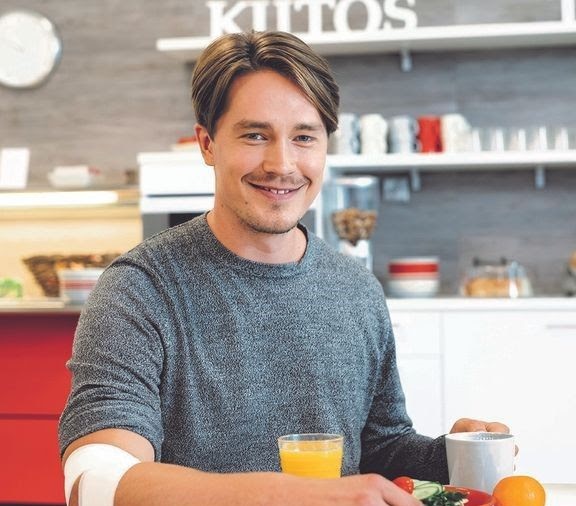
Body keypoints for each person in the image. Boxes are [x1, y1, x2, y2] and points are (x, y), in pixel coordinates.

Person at [58, 31, 510, 506]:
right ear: (208, 143)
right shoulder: (139, 290)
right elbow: (96, 482)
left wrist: (449, 457)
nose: (282, 164)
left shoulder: (355, 287)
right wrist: (293, 495)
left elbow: (378, 450)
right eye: (255, 135)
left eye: (304, 137)